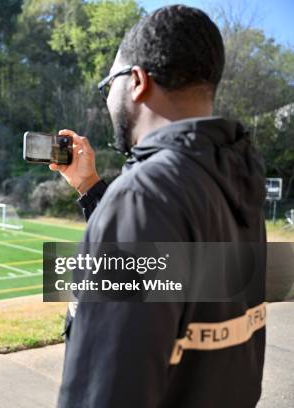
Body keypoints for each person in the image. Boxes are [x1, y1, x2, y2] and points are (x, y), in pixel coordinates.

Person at [51, 5, 266, 407]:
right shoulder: (236, 182)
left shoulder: (142, 197)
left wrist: (120, 205)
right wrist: (93, 189)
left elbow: (105, 392)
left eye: (108, 84)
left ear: (136, 81)